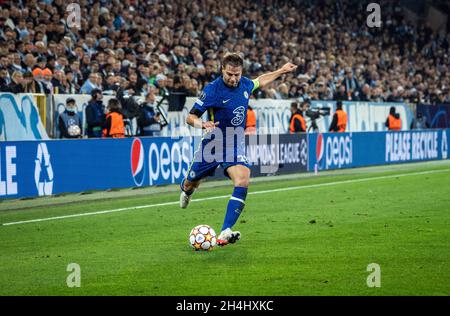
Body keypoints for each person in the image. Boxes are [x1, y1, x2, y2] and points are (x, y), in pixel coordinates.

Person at [179, 52, 297, 246]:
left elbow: (260, 80)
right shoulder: (212, 90)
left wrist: (281, 71)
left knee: (243, 179)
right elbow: (190, 117)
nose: (233, 79)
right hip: (212, 143)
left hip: (234, 144)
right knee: (191, 182)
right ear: (222, 70)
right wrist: (202, 124)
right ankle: (187, 191)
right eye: (229, 75)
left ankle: (225, 230)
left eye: (237, 75)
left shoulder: (245, 84)